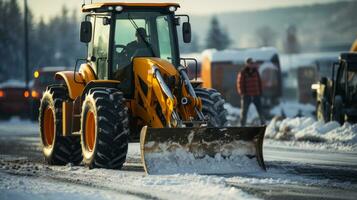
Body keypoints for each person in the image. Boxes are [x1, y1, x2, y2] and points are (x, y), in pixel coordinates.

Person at [236, 58, 264, 126]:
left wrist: (260, 92)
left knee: (260, 111)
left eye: (252, 63)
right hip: (246, 95)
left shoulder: (256, 72)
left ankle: (263, 124)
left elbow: (259, 82)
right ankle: (242, 126)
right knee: (244, 112)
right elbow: (239, 83)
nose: (252, 65)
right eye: (250, 63)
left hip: (256, 94)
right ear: (247, 64)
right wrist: (242, 93)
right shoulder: (243, 72)